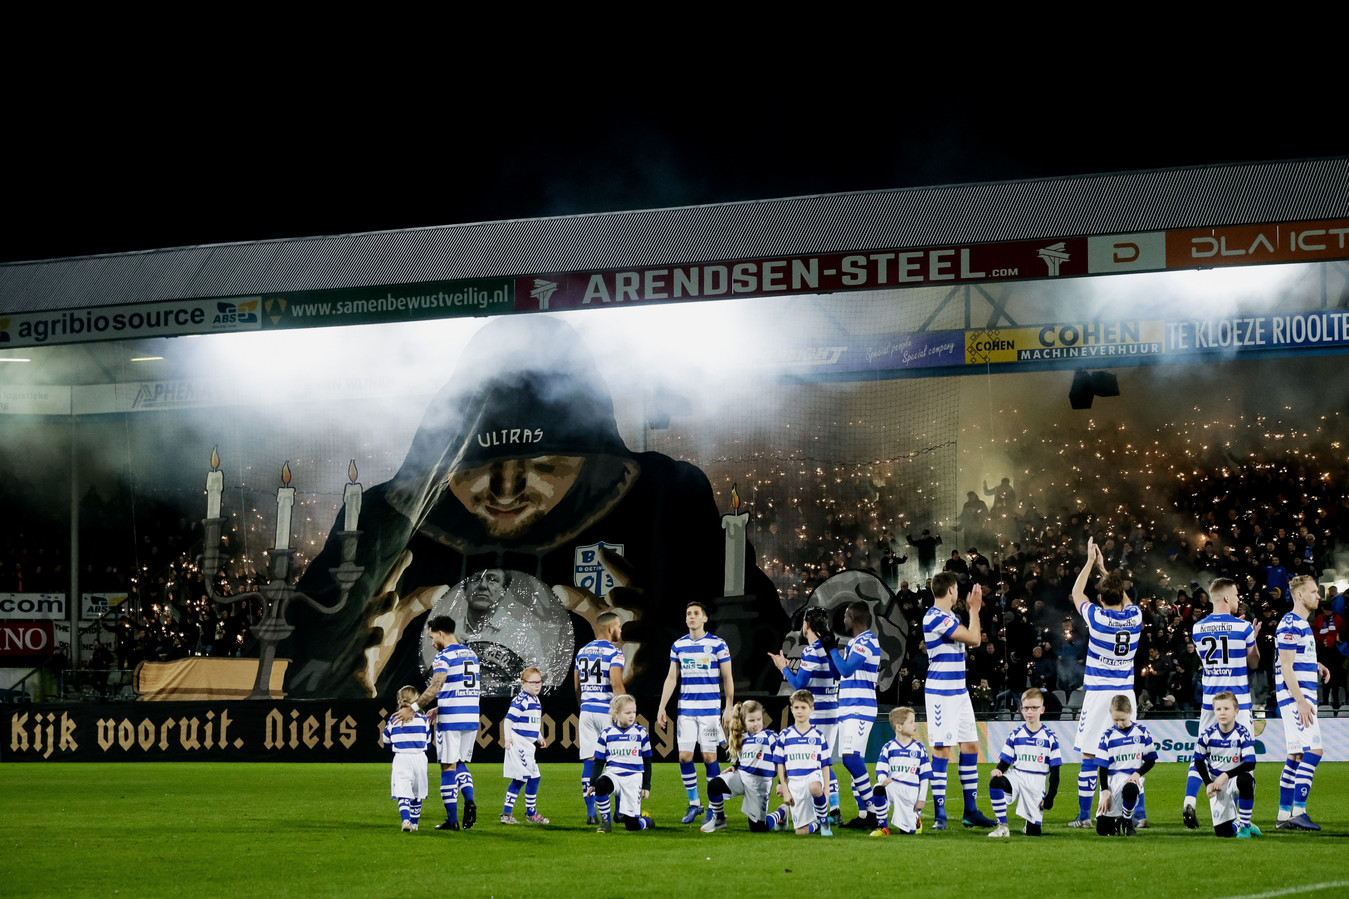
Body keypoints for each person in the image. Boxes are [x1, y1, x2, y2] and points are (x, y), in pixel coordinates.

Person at [288, 315, 785, 700]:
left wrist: (668, 660)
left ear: (591, 462)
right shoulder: (380, 522)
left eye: (543, 463)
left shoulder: (665, 501)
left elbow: (763, 650)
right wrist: (345, 669)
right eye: (477, 467)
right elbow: (303, 665)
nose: (505, 491)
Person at [1067, 538, 1142, 828]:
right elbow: (1123, 598)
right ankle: (1138, 815)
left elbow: (1076, 593)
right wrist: (1105, 569)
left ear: (1100, 598)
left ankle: (1085, 816)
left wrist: (1090, 563)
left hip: (1099, 694)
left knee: (1090, 753)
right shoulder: (1134, 617)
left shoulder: (1097, 618)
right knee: (1128, 754)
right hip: (1126, 692)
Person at [1183, 577, 1259, 829]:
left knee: (1201, 753)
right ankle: (1238, 818)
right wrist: (1254, 639)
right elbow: (1254, 662)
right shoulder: (1243, 628)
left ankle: (1189, 801)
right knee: (1241, 757)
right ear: (1226, 597)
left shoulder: (1197, 628)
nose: (1238, 600)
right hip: (1238, 703)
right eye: (1236, 595)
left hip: (1210, 702)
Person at [922, 573, 996, 829]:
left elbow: (971, 638)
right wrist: (974, 609)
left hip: (959, 691)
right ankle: (940, 814)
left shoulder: (950, 617)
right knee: (942, 749)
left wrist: (970, 612)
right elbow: (975, 639)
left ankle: (970, 811)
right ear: (952, 590)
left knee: (971, 747)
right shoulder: (935, 617)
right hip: (941, 691)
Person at [393, 615, 480, 831]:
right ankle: (469, 798)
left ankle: (452, 821)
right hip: (470, 716)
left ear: (441, 634)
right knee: (460, 762)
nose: (432, 642)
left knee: (447, 766)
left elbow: (435, 687)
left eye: (432, 637)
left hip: (451, 719)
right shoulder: (471, 654)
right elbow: (463, 687)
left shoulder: (444, 656)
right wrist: (440, 706)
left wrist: (412, 709)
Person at [656, 600, 733, 826]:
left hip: (709, 711)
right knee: (684, 757)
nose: (691, 616)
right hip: (686, 710)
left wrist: (728, 707)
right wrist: (662, 706)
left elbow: (727, 677)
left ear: (704, 618)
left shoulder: (718, 644)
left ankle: (715, 808)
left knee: (710, 757)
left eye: (696, 613)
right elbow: (672, 678)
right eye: (688, 613)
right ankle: (694, 803)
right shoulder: (678, 645)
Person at [767, 606, 842, 823]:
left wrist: (783, 668)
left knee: (818, 763)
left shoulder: (811, 651)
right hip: (832, 712)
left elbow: (800, 685)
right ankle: (834, 808)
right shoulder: (830, 649)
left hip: (817, 714)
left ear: (806, 625)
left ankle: (830, 808)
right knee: (823, 761)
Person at [1276, 575, 1332, 830]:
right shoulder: (1290, 624)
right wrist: (1300, 701)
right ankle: (1299, 811)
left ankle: (1284, 815)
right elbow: (1285, 666)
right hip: (1296, 698)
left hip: (1297, 696)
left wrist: (1315, 665)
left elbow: (1290, 661)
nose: (1318, 596)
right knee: (1314, 751)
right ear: (1300, 595)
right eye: (1313, 592)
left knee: (1296, 755)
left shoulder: (1299, 624)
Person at [828, 601, 883, 829]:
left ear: (852, 617)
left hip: (860, 706)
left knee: (850, 759)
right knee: (853, 760)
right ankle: (864, 815)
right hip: (849, 706)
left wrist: (832, 648)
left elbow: (847, 669)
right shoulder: (855, 643)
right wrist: (827, 651)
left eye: (846, 617)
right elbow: (840, 672)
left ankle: (873, 810)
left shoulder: (867, 641)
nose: (843, 620)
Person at [987, 687, 1062, 838]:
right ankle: (1003, 826)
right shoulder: (1015, 735)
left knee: (1034, 833)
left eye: (1034, 708)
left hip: (1037, 782)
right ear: (1021, 709)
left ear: (1042, 709)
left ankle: (1030, 824)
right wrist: (998, 770)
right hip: (1017, 776)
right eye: (1027, 708)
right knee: (995, 782)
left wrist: (1050, 796)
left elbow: (1055, 771)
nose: (1030, 712)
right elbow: (1005, 760)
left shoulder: (1050, 738)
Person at [574, 611, 626, 824]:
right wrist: (625, 713)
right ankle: (620, 811)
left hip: (586, 710)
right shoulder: (615, 653)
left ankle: (591, 813)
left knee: (590, 760)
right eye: (619, 627)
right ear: (611, 629)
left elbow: (577, 687)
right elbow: (616, 685)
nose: (620, 631)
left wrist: (583, 706)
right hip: (606, 710)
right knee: (618, 760)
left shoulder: (582, 652)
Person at [702, 700, 782, 832]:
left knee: (758, 829)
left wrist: (781, 783)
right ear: (744, 720)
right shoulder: (741, 737)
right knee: (714, 784)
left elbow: (782, 760)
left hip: (760, 784)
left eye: (759, 719)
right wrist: (736, 766)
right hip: (742, 776)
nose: (756, 724)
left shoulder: (771, 737)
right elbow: (746, 758)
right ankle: (719, 820)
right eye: (751, 720)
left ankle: (781, 812)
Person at [765, 690, 833, 836]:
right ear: (791, 709)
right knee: (800, 832)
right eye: (796, 708)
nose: (799, 711)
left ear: (811, 710)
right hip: (795, 784)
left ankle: (824, 821)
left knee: (815, 787)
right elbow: (780, 765)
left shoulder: (818, 736)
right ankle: (816, 824)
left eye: (803, 707)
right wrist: (785, 789)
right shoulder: (784, 736)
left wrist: (826, 789)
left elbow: (825, 765)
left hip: (812, 776)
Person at [1193, 691, 1259, 838]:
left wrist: (1226, 775)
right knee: (1223, 833)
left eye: (1227, 709)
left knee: (1246, 780)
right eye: (1218, 709)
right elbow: (1198, 760)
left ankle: (1245, 826)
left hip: (1235, 780)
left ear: (1236, 711)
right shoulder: (1207, 735)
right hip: (1217, 784)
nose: (1222, 712)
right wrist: (1208, 783)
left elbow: (1251, 763)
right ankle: (1240, 823)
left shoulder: (1242, 733)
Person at [588, 694, 654, 833]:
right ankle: (606, 822)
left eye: (634, 712)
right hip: (614, 775)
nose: (632, 716)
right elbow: (599, 761)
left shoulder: (641, 733)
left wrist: (646, 786)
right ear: (617, 713)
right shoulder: (606, 734)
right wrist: (593, 783)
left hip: (633, 779)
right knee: (601, 784)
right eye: (628, 712)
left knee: (632, 826)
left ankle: (646, 821)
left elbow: (647, 761)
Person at [1095, 694, 1157, 836]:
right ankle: (1117, 820)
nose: (1119, 723)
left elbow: (1150, 760)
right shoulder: (1107, 736)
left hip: (1132, 777)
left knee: (1130, 789)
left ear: (1130, 712)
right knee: (1103, 830)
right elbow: (1103, 767)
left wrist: (1137, 774)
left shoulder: (1141, 732)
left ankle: (1128, 820)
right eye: (1115, 720)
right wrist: (1105, 791)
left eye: (1122, 719)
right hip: (1112, 781)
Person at [870, 706, 931, 836]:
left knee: (907, 833)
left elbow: (925, 776)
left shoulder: (919, 748)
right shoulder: (888, 747)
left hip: (911, 792)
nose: (915, 724)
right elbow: (880, 769)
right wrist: (883, 779)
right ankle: (882, 826)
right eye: (911, 722)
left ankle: (916, 821)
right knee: (878, 789)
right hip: (893, 786)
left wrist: (922, 799)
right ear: (899, 727)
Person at [500, 667, 549, 825]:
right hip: (519, 742)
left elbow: (534, 722)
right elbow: (508, 720)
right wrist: (507, 739)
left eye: (539, 682)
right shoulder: (522, 700)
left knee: (528, 778)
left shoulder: (535, 699)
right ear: (523, 683)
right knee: (527, 777)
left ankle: (521, 813)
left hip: (528, 744)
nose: (537, 685)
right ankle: (521, 814)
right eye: (533, 682)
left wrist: (539, 736)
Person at [380, 684, 431, 832]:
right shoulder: (423, 720)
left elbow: (386, 741)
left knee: (403, 791)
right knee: (417, 792)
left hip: (402, 758)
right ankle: (415, 823)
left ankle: (406, 821)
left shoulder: (393, 720)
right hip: (420, 758)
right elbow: (427, 741)